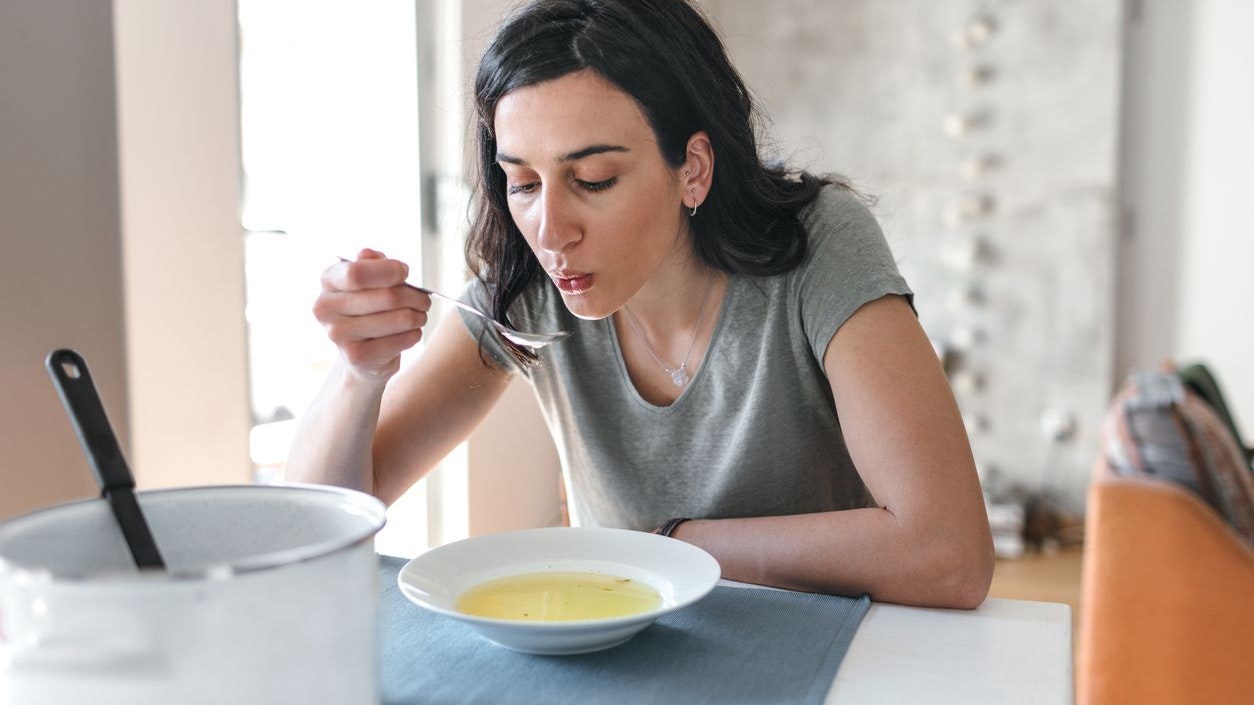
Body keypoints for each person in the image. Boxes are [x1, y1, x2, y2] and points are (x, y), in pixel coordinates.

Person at [287, 0, 994, 608]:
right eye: (523, 183)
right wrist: (358, 375)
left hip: (827, 657)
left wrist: (677, 544)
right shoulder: (526, 293)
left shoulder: (819, 244)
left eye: (593, 179)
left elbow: (948, 555)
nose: (550, 232)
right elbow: (321, 524)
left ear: (693, 169)